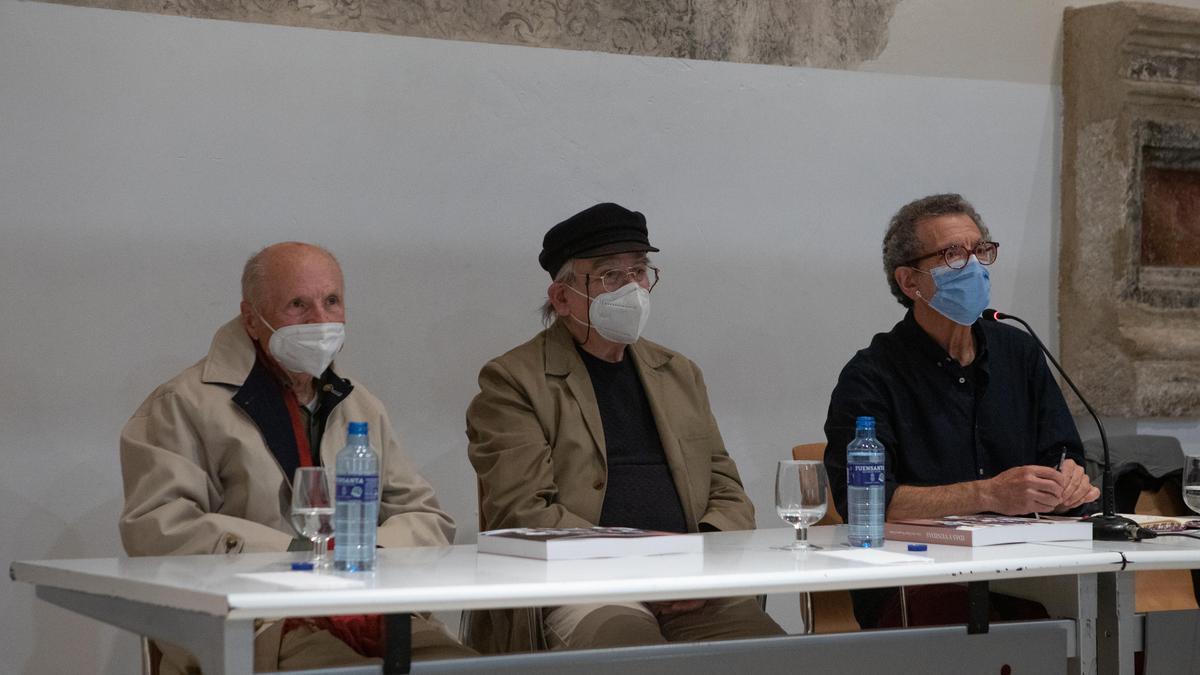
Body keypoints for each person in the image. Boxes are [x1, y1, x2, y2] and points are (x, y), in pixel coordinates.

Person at [119, 242, 474, 672]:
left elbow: (426, 516)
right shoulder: (182, 404)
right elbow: (158, 528)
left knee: (468, 667)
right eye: (297, 305)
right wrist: (298, 551)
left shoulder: (360, 405)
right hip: (258, 620)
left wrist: (366, 550)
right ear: (252, 317)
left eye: (331, 302)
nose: (320, 321)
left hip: (376, 610)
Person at [465, 203, 785, 652]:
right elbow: (522, 514)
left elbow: (728, 492)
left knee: (773, 654)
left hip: (687, 586)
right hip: (584, 586)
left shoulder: (678, 372)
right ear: (562, 298)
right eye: (610, 276)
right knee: (628, 648)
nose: (632, 288)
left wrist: (702, 565)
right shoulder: (513, 380)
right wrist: (638, 565)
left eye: (639, 271)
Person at [823, 193, 1100, 628]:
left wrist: (1069, 482)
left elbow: (1063, 454)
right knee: (976, 622)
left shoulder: (1020, 351)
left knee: (1100, 614)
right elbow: (870, 503)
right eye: (953, 255)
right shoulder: (871, 376)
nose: (973, 267)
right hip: (916, 576)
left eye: (980, 251)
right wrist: (989, 494)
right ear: (910, 282)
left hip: (1027, 565)